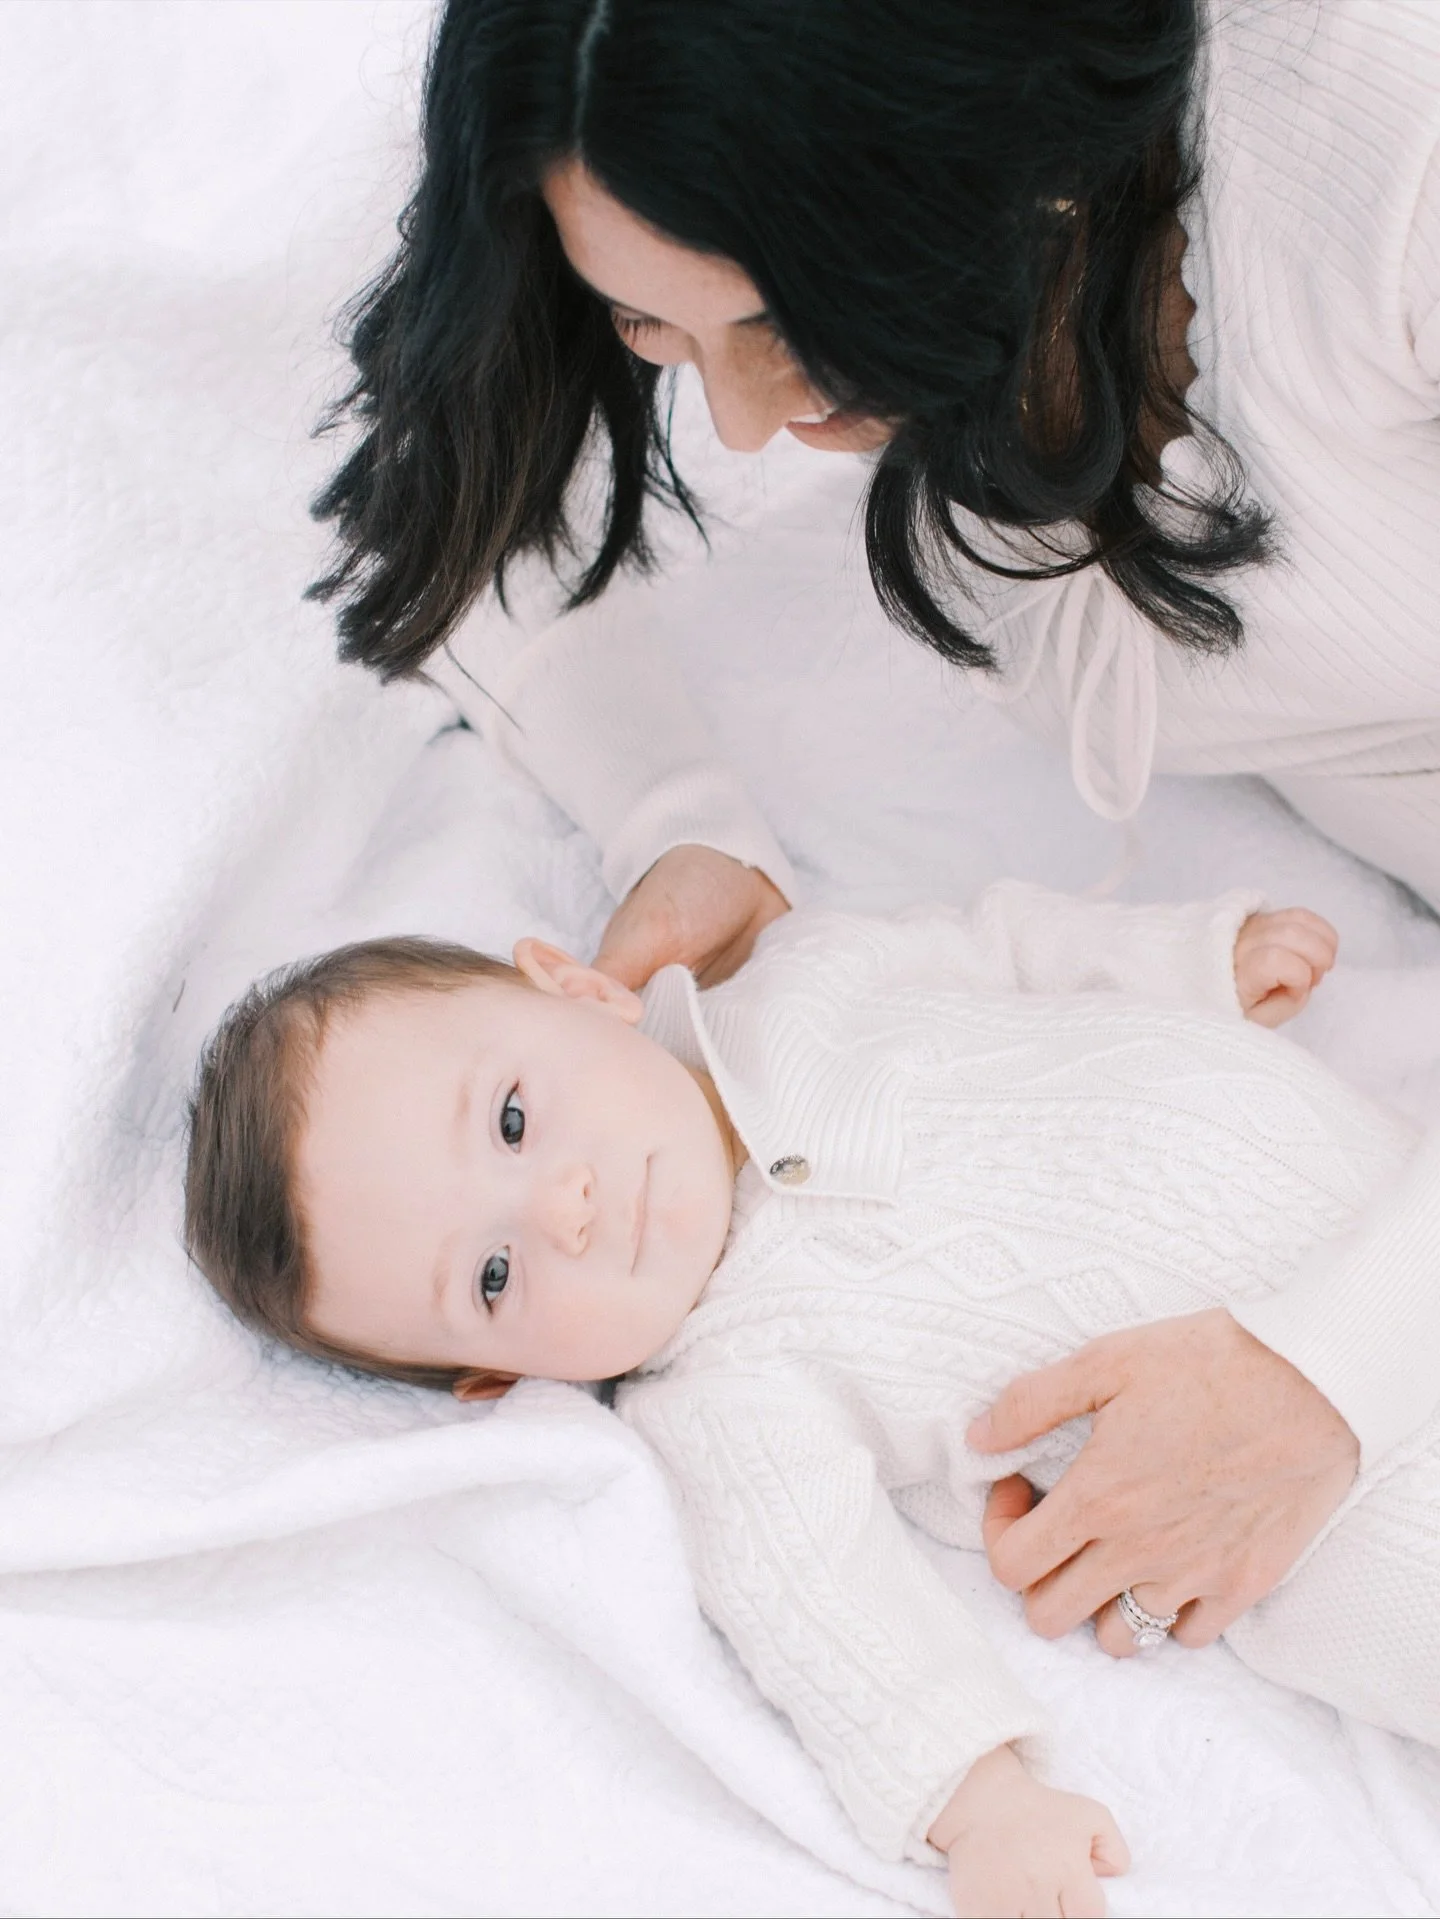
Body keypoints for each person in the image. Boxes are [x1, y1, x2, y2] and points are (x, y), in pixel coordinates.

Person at [306, 2, 1440, 1662]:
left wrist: (1331, 1368)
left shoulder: (1388, 154)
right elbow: (467, 504)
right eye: (652, 327)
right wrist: (685, 824)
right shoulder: (934, 286)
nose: (741, 423)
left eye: (780, 319)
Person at [183, 882, 1439, 1918]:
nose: (562, 1205)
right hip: (1355, 1537)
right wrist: (986, 1806)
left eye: (513, 1118)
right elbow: (829, 1609)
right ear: (502, 1376)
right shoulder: (723, 1396)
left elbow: (1006, 944)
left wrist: (1189, 960)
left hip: (1395, 1212)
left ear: (575, 987)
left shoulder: (813, 974)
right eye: (494, 1275)